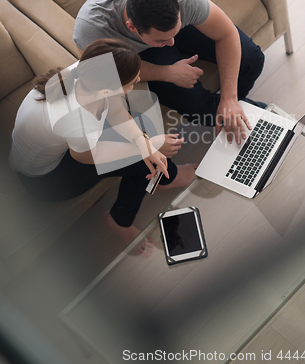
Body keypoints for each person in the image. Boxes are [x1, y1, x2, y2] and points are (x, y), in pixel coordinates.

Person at [10, 38, 196, 257]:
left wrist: (143, 141)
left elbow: (116, 110)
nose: (138, 78)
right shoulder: (76, 119)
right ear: (107, 90)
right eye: (132, 80)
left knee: (142, 131)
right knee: (142, 161)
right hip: (47, 180)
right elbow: (88, 157)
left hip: (60, 148)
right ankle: (120, 220)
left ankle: (165, 177)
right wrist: (149, 146)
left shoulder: (86, 73)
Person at [73, 0, 266, 145]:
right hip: (132, 52)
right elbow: (112, 71)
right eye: (164, 40)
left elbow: (226, 33)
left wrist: (230, 98)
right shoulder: (92, 30)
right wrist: (167, 73)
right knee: (198, 106)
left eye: (174, 35)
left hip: (162, 24)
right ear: (132, 27)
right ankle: (261, 118)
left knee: (253, 59)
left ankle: (235, 108)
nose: (173, 43)